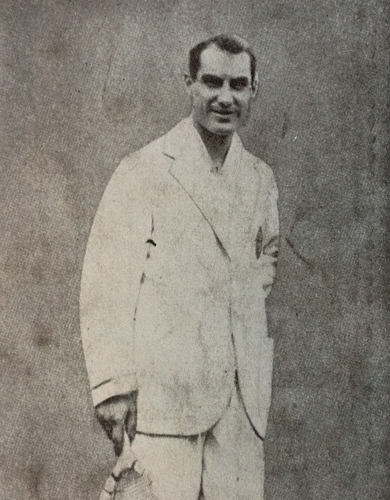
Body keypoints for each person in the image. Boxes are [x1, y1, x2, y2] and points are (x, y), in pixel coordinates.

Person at [80, 34, 279, 500]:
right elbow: (106, 281)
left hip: (240, 403)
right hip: (164, 401)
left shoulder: (260, 178)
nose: (225, 98)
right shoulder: (143, 169)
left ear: (254, 90)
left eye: (238, 85)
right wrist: (112, 386)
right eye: (212, 82)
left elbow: (266, 257)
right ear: (188, 83)